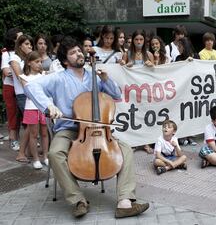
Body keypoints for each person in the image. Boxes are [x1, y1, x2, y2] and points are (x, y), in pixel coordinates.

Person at [24, 37, 149, 218]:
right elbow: (31, 86)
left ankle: (125, 201)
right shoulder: (58, 78)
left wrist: (106, 80)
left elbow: (115, 94)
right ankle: (77, 200)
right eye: (73, 53)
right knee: (54, 154)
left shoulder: (94, 76)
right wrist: (48, 106)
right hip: (68, 128)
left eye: (79, 50)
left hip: (97, 130)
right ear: (66, 60)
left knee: (126, 150)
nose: (79, 54)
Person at [17, 51, 48, 169]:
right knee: (33, 134)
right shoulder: (23, 77)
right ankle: (35, 159)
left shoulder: (44, 75)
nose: (40, 64)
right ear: (29, 63)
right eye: (37, 62)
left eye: (40, 61)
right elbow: (30, 92)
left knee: (45, 133)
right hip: (31, 108)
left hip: (44, 108)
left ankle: (45, 156)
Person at [1, 27, 23, 149]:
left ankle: (27, 139)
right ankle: (13, 139)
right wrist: (19, 71)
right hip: (10, 87)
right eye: (20, 37)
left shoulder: (23, 51)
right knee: (13, 113)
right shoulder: (7, 53)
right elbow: (6, 72)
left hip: (22, 87)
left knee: (24, 114)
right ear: (13, 39)